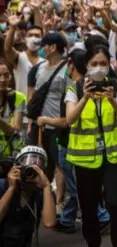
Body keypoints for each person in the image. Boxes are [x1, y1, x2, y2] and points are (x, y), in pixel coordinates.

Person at [64, 43, 117, 247]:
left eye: (103, 63)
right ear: (86, 65)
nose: (99, 68)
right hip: (85, 160)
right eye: (94, 63)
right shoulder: (74, 88)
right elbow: (70, 119)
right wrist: (85, 97)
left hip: (112, 157)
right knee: (89, 207)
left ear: (109, 64)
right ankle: (92, 243)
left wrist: (112, 100)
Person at [53, 49, 110, 234]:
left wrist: (45, 120)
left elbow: (67, 120)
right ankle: (68, 218)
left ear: (71, 64)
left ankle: (101, 215)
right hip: (80, 147)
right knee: (75, 186)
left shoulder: (76, 90)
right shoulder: (78, 88)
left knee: (78, 186)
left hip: (74, 148)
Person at [26, 32, 68, 181]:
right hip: (40, 126)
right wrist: (31, 123)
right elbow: (33, 97)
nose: (41, 49)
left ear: (53, 47)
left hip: (58, 126)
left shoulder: (68, 69)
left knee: (60, 165)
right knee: (39, 165)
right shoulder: (38, 68)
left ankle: (60, 201)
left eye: (44, 46)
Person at [0, 146, 56, 246]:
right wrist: (11, 188)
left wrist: (47, 186)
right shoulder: (2, 185)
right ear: (16, 167)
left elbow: (49, 223)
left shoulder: (43, 193)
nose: (31, 172)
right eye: (27, 166)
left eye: (37, 168)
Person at [0, 60, 25, 159]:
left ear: (11, 77)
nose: (2, 79)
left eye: (6, 75)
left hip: (11, 153)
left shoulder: (18, 97)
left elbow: (15, 130)